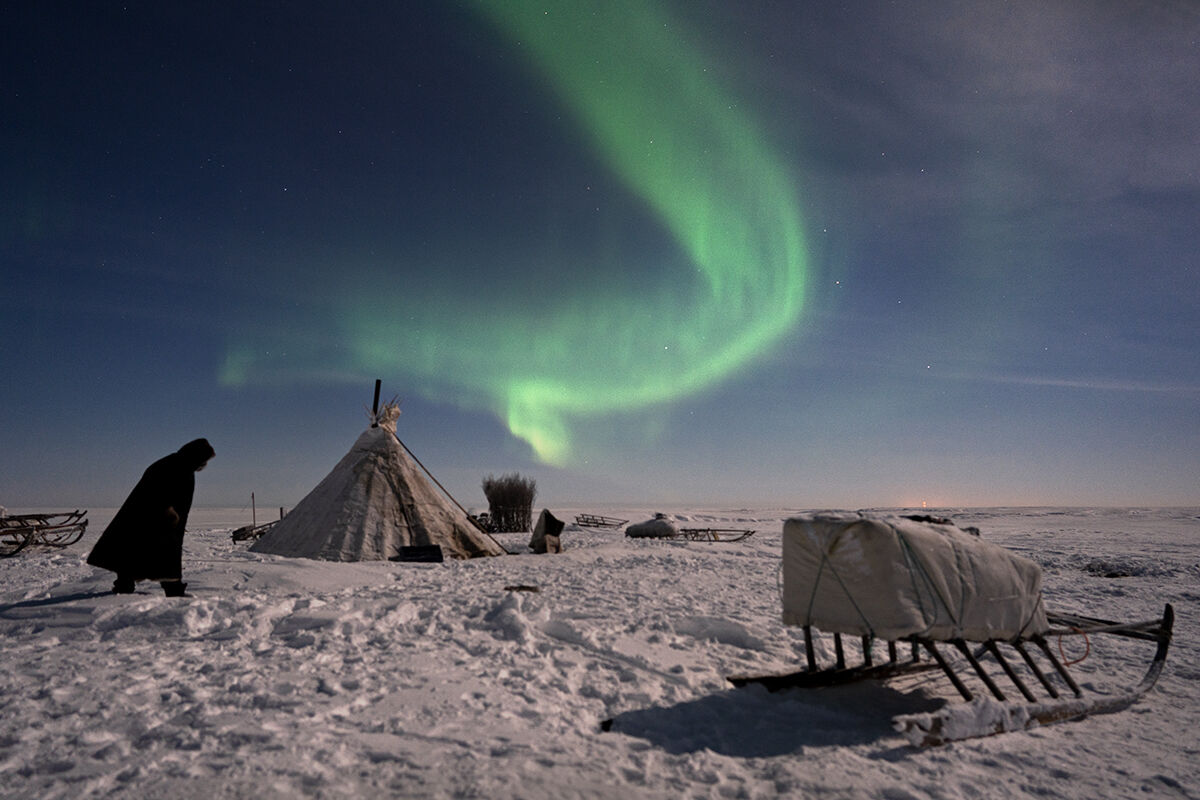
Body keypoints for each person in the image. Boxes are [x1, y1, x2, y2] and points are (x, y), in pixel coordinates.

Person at [87, 438, 215, 597]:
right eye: (204, 460)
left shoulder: (173, 463)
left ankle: (125, 584)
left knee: (133, 550)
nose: (204, 465)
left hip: (146, 518)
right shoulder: (178, 467)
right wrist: (169, 514)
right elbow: (157, 492)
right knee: (164, 554)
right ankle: (172, 589)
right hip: (157, 520)